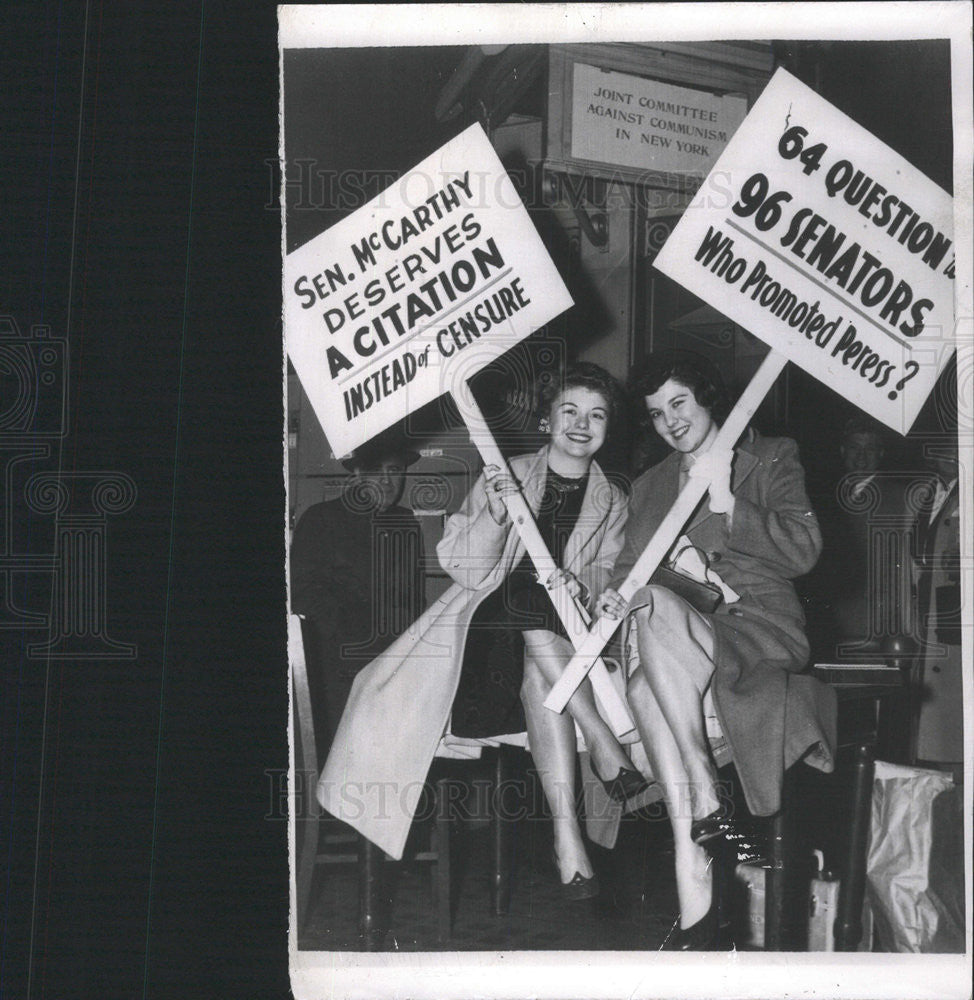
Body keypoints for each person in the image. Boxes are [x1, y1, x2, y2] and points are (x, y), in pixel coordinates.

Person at [318, 364, 638, 876]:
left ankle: (566, 836)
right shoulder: (505, 473)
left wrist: (583, 588)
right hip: (485, 655)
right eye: (570, 410)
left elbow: (606, 575)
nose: (582, 423)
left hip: (549, 653)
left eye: (597, 414)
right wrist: (492, 513)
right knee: (523, 588)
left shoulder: (614, 500)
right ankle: (602, 739)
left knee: (541, 667)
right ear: (546, 421)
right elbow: (463, 568)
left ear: (608, 428)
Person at [596, 351, 836, 950]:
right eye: (655, 414)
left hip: (756, 626)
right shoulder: (650, 487)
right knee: (642, 681)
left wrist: (730, 501)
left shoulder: (769, 455)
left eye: (679, 403)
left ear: (707, 400)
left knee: (647, 676)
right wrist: (610, 599)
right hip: (677, 632)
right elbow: (628, 576)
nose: (669, 421)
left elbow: (804, 550)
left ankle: (700, 835)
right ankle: (696, 873)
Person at [290, 430, 424, 760]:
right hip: (337, 669)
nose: (389, 481)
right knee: (341, 765)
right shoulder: (321, 519)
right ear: (358, 473)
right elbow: (303, 595)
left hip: (394, 667)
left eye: (395, 471)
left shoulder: (405, 524)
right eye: (379, 471)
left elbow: (413, 603)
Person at [912, 443, 961, 766]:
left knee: (949, 718)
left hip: (954, 613)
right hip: (921, 609)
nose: (952, 452)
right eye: (945, 446)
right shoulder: (921, 491)